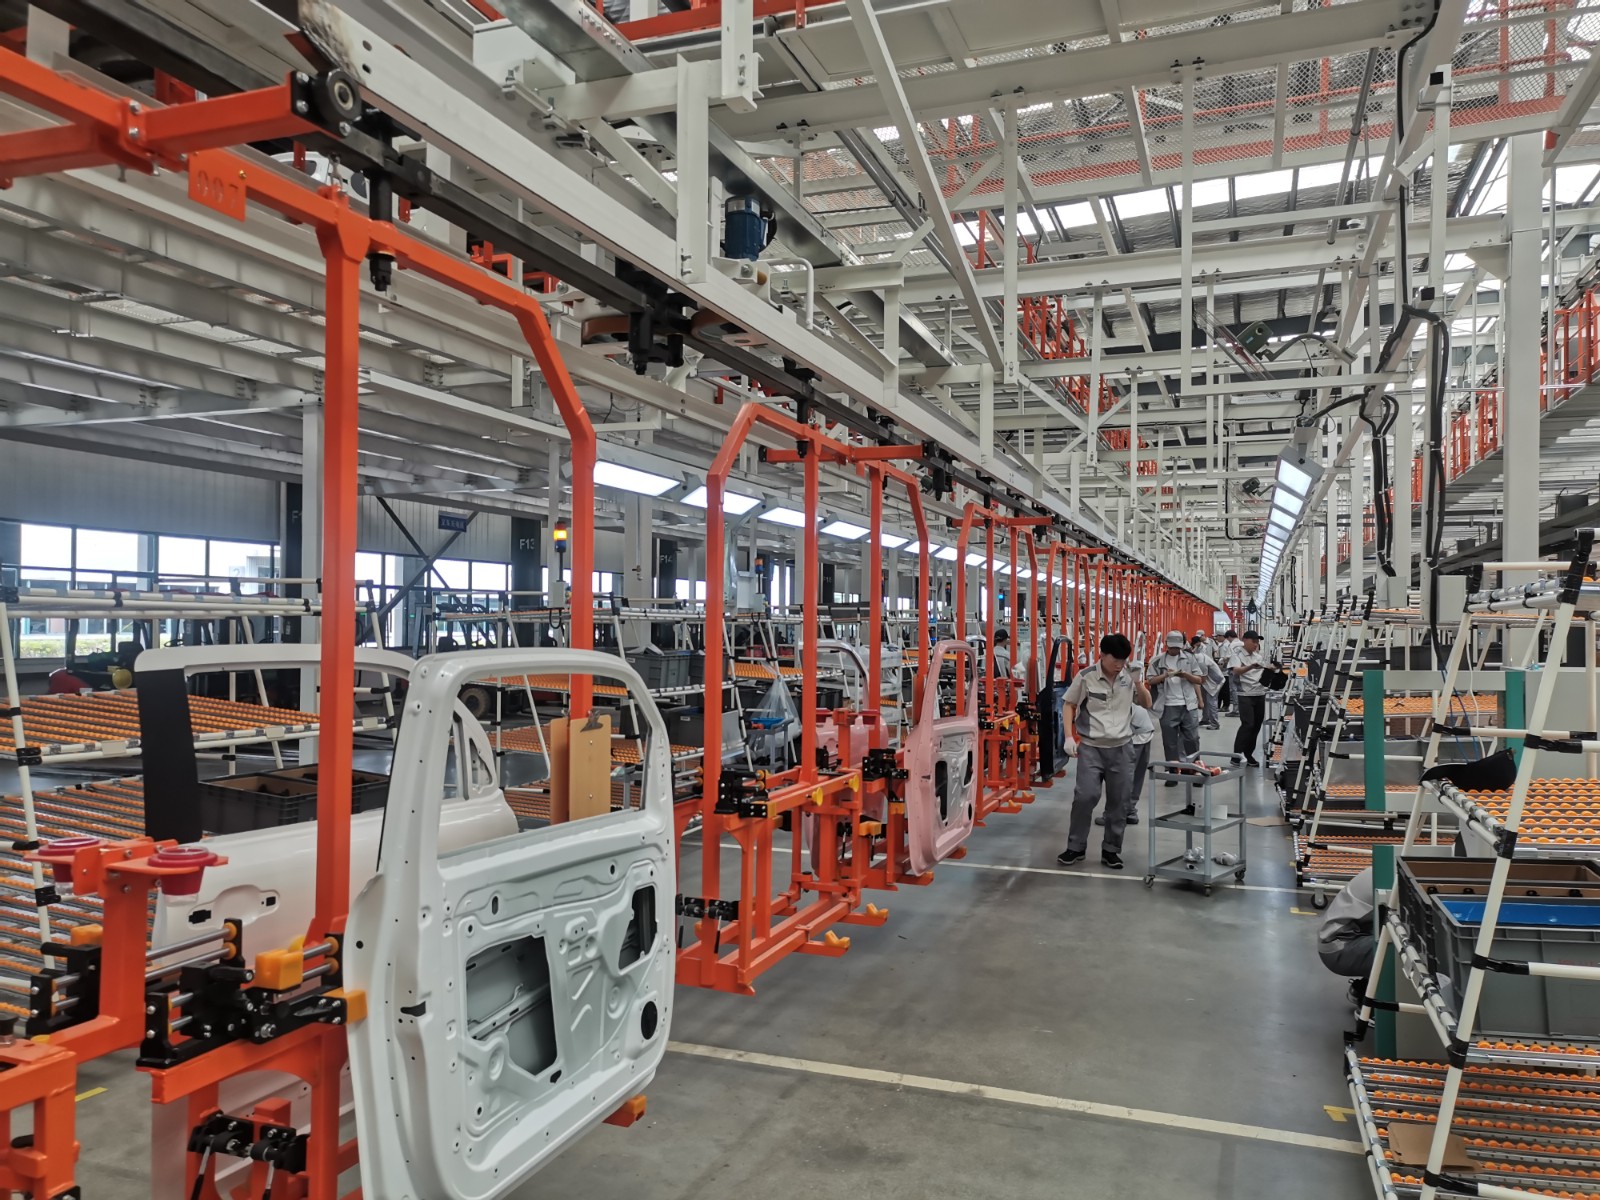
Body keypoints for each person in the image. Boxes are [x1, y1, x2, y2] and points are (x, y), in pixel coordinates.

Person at [1057, 632, 1152, 870]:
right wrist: (1068, 737)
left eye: (1123, 660)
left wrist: (1138, 682)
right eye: (1115, 659)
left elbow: (1146, 703)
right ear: (1102, 655)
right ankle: (1075, 846)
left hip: (1122, 748)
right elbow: (1069, 704)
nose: (1119, 664)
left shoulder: (1129, 677)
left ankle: (1111, 850)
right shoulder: (1086, 677)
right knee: (1085, 797)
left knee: (1119, 802)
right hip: (1092, 748)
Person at [1148, 630, 1204, 781]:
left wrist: (1185, 675)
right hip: (1167, 705)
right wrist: (1165, 675)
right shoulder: (1157, 661)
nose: (1175, 650)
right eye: (1172, 647)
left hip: (1188, 705)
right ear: (1167, 644)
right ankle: (1172, 772)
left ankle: (1195, 769)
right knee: (1170, 742)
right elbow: (1150, 680)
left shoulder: (1189, 658)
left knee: (1192, 739)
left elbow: (1199, 679)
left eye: (1177, 647)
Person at [1096, 693, 1154, 828]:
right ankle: (1130, 812)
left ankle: (1113, 815)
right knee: (1135, 776)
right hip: (1145, 729)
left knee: (1120, 777)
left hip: (1134, 734)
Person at [1317, 867, 1377, 982]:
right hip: (1337, 947)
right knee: (1395, 951)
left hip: (1339, 939)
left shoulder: (1382, 869)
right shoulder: (1388, 879)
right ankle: (1378, 989)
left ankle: (1371, 983)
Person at [1230, 629, 1271, 766]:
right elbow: (1236, 671)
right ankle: (1236, 756)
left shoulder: (1258, 656)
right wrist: (1251, 666)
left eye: (1257, 642)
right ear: (1245, 640)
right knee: (1248, 724)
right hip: (1245, 694)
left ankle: (1248, 754)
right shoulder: (1237, 655)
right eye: (1253, 641)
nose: (1255, 644)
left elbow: (1263, 673)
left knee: (1256, 726)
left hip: (1259, 694)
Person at [1191, 634, 1224, 730]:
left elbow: (1202, 679)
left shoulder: (1200, 661)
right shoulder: (1197, 656)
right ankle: (1205, 719)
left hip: (1215, 682)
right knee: (1205, 700)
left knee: (1211, 702)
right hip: (1208, 682)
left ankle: (1215, 723)